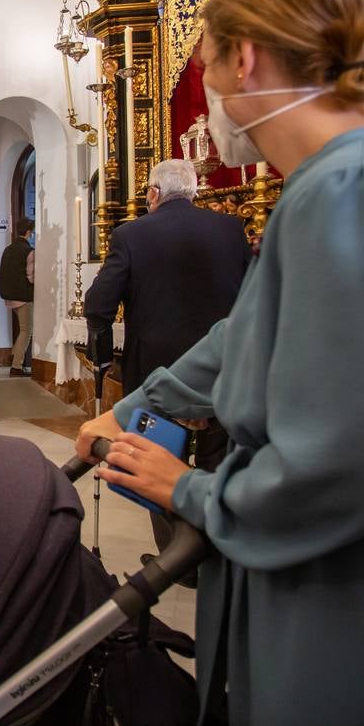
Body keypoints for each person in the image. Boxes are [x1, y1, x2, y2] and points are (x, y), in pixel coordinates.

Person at [76, 0, 364, 726]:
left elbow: (347, 458)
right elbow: (242, 334)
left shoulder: (355, 187)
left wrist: (186, 488)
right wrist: (135, 406)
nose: (210, 93)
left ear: (246, 59)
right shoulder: (332, 182)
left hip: (338, 592)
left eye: (207, 68)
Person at [84, 159, 250, 568]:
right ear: (192, 191)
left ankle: (177, 560)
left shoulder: (131, 234)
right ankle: (212, 554)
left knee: (156, 460)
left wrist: (101, 356)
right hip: (225, 369)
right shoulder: (230, 229)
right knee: (216, 458)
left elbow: (99, 304)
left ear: (154, 193)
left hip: (161, 372)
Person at [0, 216, 35, 377]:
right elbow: (31, 276)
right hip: (23, 297)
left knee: (22, 329)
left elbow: (2, 273)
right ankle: (16, 366)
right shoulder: (28, 251)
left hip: (8, 296)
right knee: (26, 330)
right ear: (29, 232)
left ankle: (15, 355)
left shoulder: (8, 249)